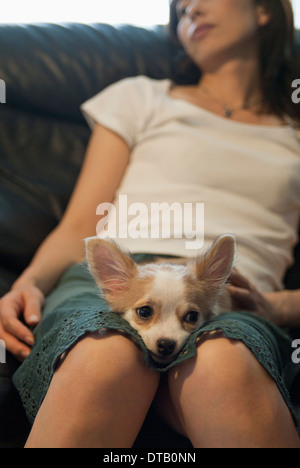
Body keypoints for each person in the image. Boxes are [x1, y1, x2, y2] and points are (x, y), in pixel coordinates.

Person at [0, 0, 300, 448]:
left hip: (231, 293)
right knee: (105, 354)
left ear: (264, 10)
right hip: (118, 274)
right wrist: (27, 284)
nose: (190, 10)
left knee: (223, 366)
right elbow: (81, 225)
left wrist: (274, 306)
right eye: (180, 9)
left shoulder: (294, 130)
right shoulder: (140, 95)